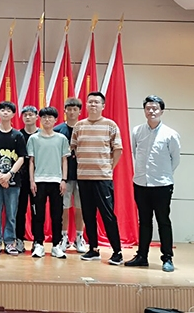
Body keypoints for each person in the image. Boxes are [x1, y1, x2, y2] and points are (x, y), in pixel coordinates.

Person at [125, 95, 181, 272]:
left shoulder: (170, 134)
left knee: (163, 220)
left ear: (161, 111)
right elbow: (136, 153)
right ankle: (142, 256)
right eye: (148, 108)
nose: (151, 111)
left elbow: (175, 159)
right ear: (144, 111)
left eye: (155, 108)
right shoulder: (137, 131)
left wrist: (162, 174)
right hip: (141, 183)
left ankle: (167, 258)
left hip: (162, 184)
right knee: (144, 221)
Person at [73, 91, 124, 265]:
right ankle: (93, 249)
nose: (93, 105)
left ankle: (117, 252)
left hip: (103, 178)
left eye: (96, 102)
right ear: (86, 105)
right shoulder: (79, 126)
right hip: (83, 177)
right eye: (90, 102)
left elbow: (118, 150)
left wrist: (108, 168)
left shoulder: (110, 125)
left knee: (108, 215)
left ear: (103, 106)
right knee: (88, 215)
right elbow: (74, 149)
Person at [0, 101, 27, 256]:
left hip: (13, 181)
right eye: (2, 110)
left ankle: (9, 242)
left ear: (13, 114)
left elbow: (22, 157)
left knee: (11, 213)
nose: (5, 112)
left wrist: (9, 175)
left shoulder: (18, 135)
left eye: (9, 110)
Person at [28, 107, 71, 259]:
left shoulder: (61, 139)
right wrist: (32, 180)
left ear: (55, 120)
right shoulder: (34, 138)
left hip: (56, 181)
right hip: (39, 181)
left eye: (50, 117)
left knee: (57, 215)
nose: (47, 120)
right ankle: (38, 244)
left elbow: (64, 160)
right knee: (38, 215)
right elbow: (31, 161)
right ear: (40, 119)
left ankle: (56, 245)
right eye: (44, 117)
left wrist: (64, 180)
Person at [54, 97, 88, 254]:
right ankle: (64, 237)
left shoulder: (85, 128)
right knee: (64, 207)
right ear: (65, 111)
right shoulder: (58, 130)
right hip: (64, 176)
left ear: (80, 111)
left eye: (75, 109)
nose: (72, 112)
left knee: (81, 207)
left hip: (83, 175)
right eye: (69, 109)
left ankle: (79, 237)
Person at [14, 105, 39, 254]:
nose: (28, 117)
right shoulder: (18, 135)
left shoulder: (42, 135)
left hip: (38, 179)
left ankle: (37, 241)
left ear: (36, 116)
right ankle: (19, 239)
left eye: (31, 114)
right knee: (20, 210)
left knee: (37, 211)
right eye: (25, 115)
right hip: (20, 179)